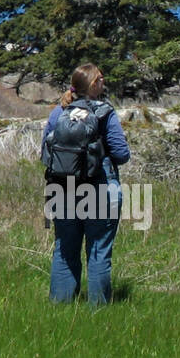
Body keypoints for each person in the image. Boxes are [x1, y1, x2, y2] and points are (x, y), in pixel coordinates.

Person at [42, 62, 131, 305]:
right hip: (100, 188)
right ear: (93, 85)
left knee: (64, 250)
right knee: (98, 252)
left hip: (62, 188)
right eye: (100, 79)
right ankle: (98, 312)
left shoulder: (59, 112)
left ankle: (60, 307)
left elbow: (45, 152)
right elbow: (122, 154)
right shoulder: (105, 113)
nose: (104, 82)